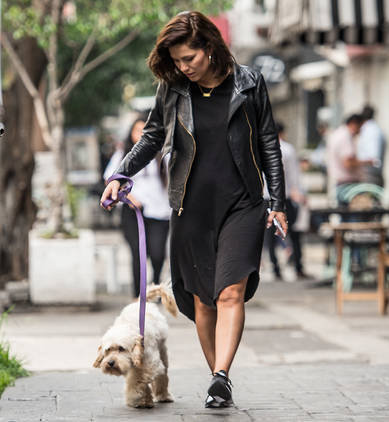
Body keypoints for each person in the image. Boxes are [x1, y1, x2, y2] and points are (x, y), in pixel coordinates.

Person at [100, 11, 287, 409]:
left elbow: (268, 142)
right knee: (202, 299)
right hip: (189, 205)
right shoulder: (173, 88)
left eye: (190, 58)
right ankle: (220, 378)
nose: (184, 67)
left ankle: (220, 378)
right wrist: (120, 174)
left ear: (210, 47)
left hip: (243, 204)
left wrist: (278, 201)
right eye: (178, 61)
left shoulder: (249, 82)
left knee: (231, 291)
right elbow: (152, 137)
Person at [104, 117, 170, 297]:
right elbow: (111, 178)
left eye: (144, 131)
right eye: (136, 131)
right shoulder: (124, 154)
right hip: (133, 212)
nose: (140, 135)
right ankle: (138, 297)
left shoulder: (162, 153)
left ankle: (154, 291)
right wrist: (129, 197)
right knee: (138, 254)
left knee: (157, 254)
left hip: (160, 211)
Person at [264, 121, 309, 280]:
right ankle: (298, 267)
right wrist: (298, 192)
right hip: (285, 196)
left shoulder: (260, 147)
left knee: (270, 236)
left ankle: (276, 269)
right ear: (282, 133)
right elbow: (293, 175)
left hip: (266, 197)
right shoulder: (288, 149)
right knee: (294, 233)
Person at [326, 114, 368, 206]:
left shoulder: (337, 134)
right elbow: (348, 162)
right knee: (352, 218)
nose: (361, 131)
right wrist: (367, 162)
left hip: (342, 184)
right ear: (354, 124)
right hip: (349, 185)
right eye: (360, 127)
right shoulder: (345, 136)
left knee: (345, 216)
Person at [357, 105, 386, 187]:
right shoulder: (373, 129)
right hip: (370, 174)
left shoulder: (371, 131)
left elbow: (374, 158)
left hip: (370, 175)